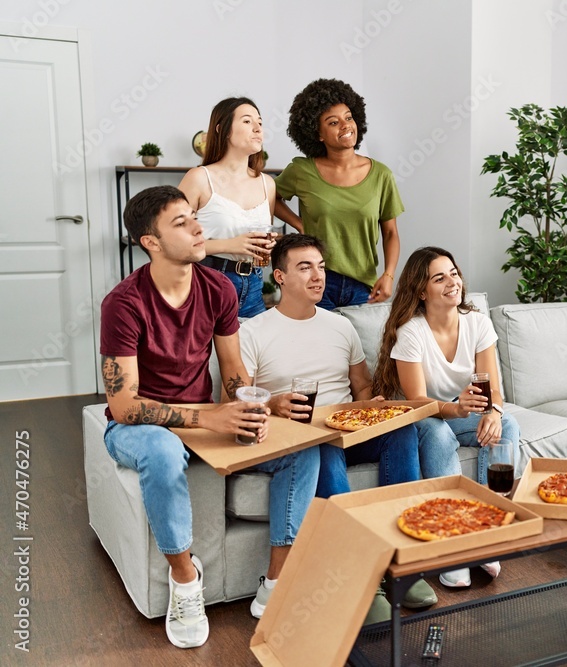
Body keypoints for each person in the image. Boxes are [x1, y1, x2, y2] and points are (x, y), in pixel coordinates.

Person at [100, 186, 319, 649]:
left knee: (300, 448)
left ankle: (275, 581)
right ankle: (185, 579)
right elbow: (124, 405)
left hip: (205, 420)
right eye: (180, 223)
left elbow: (234, 371)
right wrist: (210, 419)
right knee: (160, 448)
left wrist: (251, 402)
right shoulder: (123, 303)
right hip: (137, 428)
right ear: (151, 243)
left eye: (194, 217)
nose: (198, 228)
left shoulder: (218, 288)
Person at [239, 233, 437, 618]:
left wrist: (375, 405)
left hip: (347, 425)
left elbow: (361, 386)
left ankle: (401, 563)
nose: (318, 276)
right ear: (278, 277)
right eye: (305, 267)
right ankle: (358, 576)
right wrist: (274, 404)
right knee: (322, 449)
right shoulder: (253, 331)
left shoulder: (340, 326)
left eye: (321, 266)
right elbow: (240, 398)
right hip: (301, 434)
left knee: (402, 430)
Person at [373, 246, 520, 588]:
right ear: (422, 292)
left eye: (454, 273)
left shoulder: (478, 323)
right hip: (419, 416)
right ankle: (451, 544)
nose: (452, 282)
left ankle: (484, 533)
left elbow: (492, 391)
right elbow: (418, 402)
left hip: (456, 409)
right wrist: (458, 409)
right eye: (439, 278)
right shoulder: (411, 332)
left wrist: (494, 412)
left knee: (508, 423)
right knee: (438, 434)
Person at [273, 78, 402, 309]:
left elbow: (390, 232)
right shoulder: (302, 171)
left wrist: (389, 275)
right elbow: (269, 197)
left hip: (363, 286)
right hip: (315, 282)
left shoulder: (381, 174)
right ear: (318, 133)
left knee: (362, 347)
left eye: (349, 117)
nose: (345, 125)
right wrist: (299, 224)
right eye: (333, 122)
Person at [178, 97, 277, 318]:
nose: (257, 128)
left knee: (254, 352)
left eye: (260, 123)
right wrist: (231, 244)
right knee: (209, 353)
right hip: (209, 284)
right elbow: (173, 243)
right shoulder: (199, 179)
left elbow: (264, 236)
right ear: (223, 130)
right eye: (247, 121)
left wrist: (269, 246)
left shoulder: (267, 184)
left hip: (254, 286)